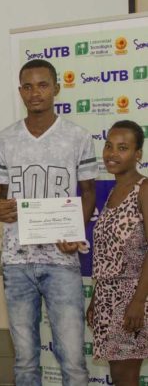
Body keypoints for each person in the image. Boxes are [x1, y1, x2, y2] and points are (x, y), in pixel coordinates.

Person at [0, 59, 98, 385]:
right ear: (20, 91)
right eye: (28, 86)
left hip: (62, 260)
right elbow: (1, 196)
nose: (35, 93)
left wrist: (73, 230)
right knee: (24, 361)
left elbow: (89, 191)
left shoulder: (77, 137)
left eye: (43, 85)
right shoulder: (5, 138)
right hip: (16, 261)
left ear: (56, 89)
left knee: (73, 360)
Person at [87, 120, 148, 386]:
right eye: (109, 146)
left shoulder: (144, 189)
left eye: (122, 148)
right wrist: (96, 299)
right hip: (107, 299)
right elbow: (106, 256)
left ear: (138, 155)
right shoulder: (113, 192)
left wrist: (137, 302)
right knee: (119, 374)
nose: (112, 153)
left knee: (127, 377)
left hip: (133, 296)